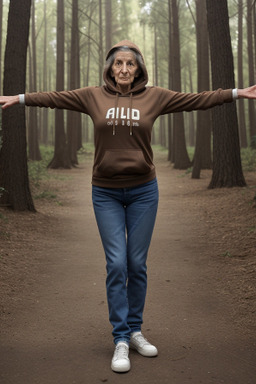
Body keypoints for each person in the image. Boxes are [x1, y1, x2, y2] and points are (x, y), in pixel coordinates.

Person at [1, 40, 256, 373]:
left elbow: (197, 100)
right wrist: (17, 98)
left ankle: (135, 331)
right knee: (117, 263)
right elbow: (53, 98)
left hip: (143, 192)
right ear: (110, 68)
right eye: (118, 64)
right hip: (105, 193)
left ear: (139, 69)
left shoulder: (155, 96)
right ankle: (120, 338)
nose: (123, 69)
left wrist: (238, 93)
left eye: (130, 64)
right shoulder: (92, 96)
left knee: (137, 263)